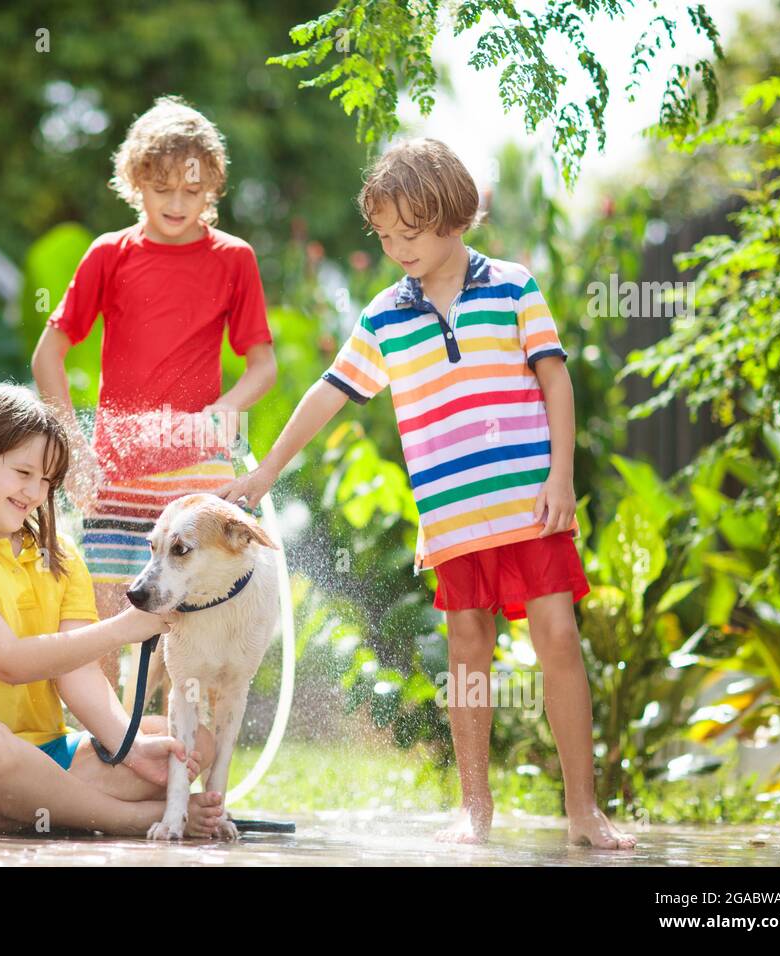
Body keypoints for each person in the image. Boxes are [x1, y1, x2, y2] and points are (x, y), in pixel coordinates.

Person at [216, 139, 636, 850]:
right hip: (452, 518)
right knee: (467, 648)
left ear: (455, 219)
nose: (397, 249)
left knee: (558, 639)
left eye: (410, 234)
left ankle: (583, 809)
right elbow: (329, 394)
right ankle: (475, 806)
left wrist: (560, 475)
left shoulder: (513, 286)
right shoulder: (384, 314)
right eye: (384, 237)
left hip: (529, 504)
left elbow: (554, 380)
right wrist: (264, 475)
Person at [0, 383, 224, 836]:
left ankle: (13, 812)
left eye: (47, 480)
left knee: (187, 741)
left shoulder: (61, 555)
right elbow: (9, 661)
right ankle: (128, 820)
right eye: (23, 472)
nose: (35, 491)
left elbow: (79, 675)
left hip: (50, 756)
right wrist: (121, 629)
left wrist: (129, 746)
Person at [32, 95, 276, 699]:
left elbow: (263, 368)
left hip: (197, 473)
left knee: (188, 639)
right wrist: (75, 451)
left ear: (212, 188)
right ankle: (113, 765)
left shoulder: (234, 259)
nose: (175, 204)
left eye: (191, 192)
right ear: (136, 181)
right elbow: (47, 357)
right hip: (114, 468)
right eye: (161, 188)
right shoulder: (109, 256)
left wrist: (227, 408)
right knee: (107, 625)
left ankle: (173, 774)